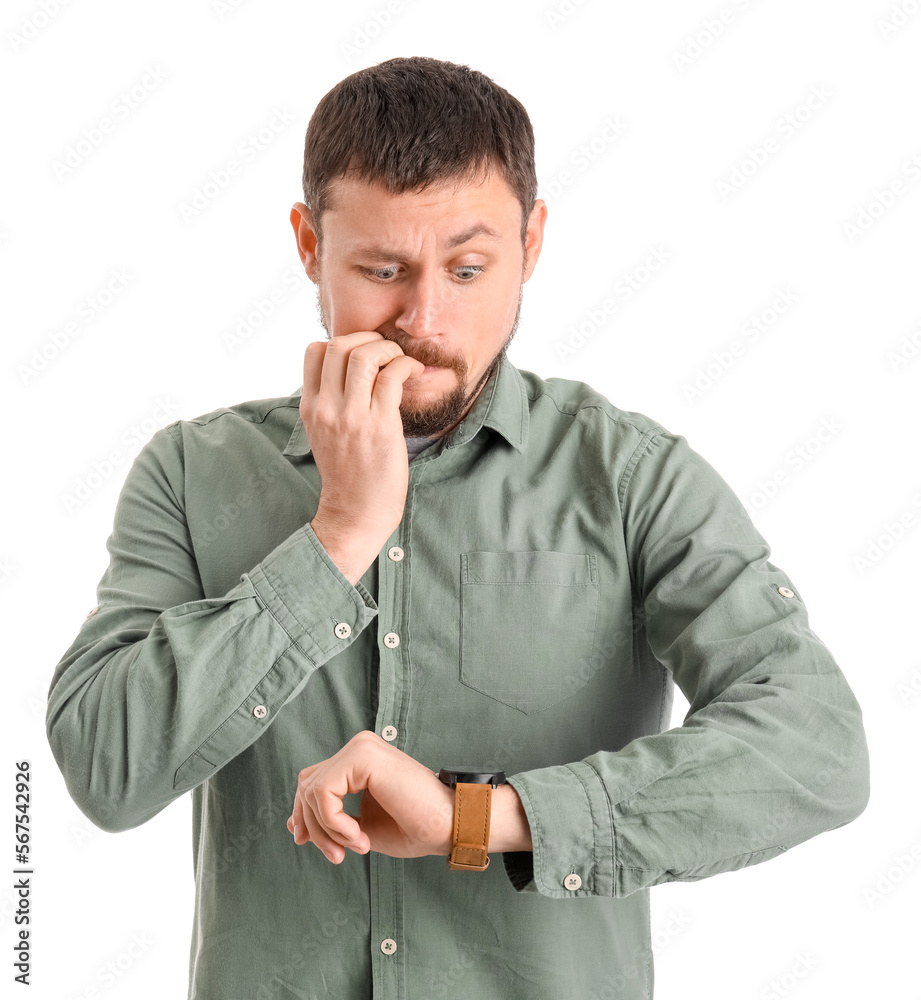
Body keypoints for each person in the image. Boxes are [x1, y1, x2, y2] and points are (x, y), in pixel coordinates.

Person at [46, 56, 870, 1000]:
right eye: (381, 269)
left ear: (535, 242)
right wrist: (338, 538)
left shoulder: (634, 479)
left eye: (469, 268)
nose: (424, 320)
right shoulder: (193, 475)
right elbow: (106, 769)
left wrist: (475, 819)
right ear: (310, 247)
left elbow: (816, 749)